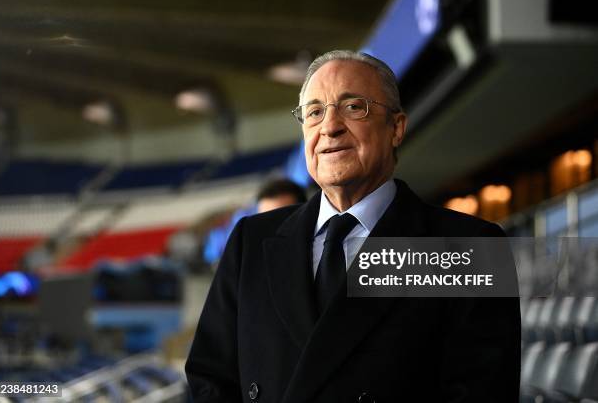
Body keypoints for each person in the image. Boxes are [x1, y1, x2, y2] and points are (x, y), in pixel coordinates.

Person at [186, 50, 520, 402]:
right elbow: (210, 379)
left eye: (353, 107)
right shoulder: (250, 240)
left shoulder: (469, 249)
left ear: (396, 128)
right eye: (314, 112)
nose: (329, 126)